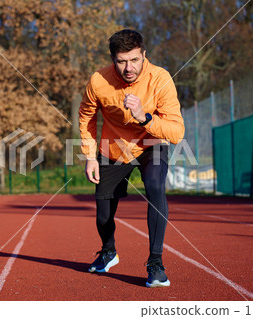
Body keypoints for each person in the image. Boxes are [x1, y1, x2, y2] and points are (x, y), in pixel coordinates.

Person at [78, 29, 184, 288]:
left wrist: (144, 116)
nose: (129, 67)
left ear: (144, 55)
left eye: (134, 60)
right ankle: (108, 251)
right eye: (122, 61)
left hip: (151, 143)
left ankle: (156, 264)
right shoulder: (98, 81)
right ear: (113, 59)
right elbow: (86, 118)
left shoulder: (160, 78)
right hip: (113, 148)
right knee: (103, 214)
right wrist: (90, 156)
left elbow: (177, 133)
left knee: (156, 187)